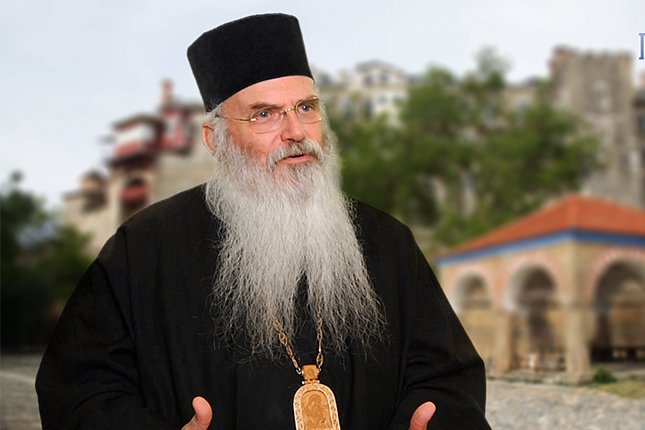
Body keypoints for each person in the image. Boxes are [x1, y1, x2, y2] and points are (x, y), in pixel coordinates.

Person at [36, 13, 491, 430]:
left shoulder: (387, 242)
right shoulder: (145, 248)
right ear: (215, 139)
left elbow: (446, 379)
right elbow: (80, 391)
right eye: (264, 114)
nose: (296, 133)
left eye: (306, 107)